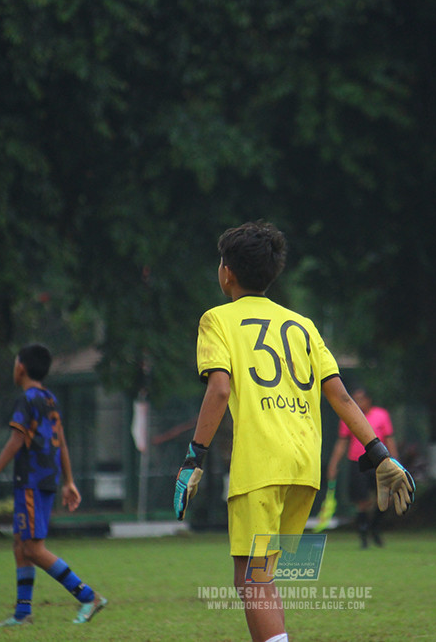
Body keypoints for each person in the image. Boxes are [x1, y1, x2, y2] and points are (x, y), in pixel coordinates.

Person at [173, 221, 415, 642]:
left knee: (251, 579)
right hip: (305, 466)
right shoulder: (302, 325)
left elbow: (219, 389)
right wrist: (378, 453)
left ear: (226, 272)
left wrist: (194, 457)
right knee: (259, 576)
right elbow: (339, 396)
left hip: (261, 464)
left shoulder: (217, 319)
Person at [0, 343, 106, 627]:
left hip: (32, 481)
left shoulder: (27, 400)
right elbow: (61, 441)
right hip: (42, 480)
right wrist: (69, 481)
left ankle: (88, 596)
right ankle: (23, 613)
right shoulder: (49, 399)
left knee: (33, 548)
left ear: (20, 367)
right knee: (21, 545)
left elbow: (16, 440)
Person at [326, 387, 398, 548]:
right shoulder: (348, 415)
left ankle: (375, 527)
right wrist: (333, 464)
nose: (357, 403)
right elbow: (342, 442)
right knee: (362, 501)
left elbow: (390, 440)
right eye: (355, 399)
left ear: (368, 400)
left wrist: (395, 462)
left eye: (361, 399)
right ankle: (363, 535)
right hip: (358, 462)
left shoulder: (381, 415)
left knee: (386, 498)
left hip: (380, 462)